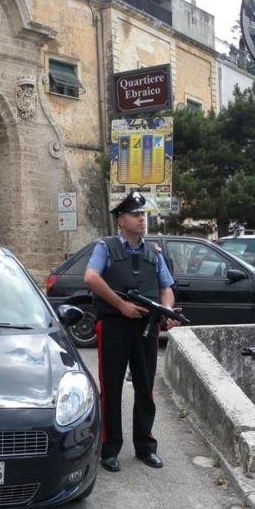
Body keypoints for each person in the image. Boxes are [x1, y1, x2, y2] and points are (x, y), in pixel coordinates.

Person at [84, 190, 179, 473]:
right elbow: (91, 277)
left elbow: (166, 288)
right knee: (111, 388)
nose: (141, 219)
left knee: (145, 388)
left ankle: (145, 446)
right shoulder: (105, 247)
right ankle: (110, 449)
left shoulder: (154, 252)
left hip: (146, 328)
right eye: (136, 215)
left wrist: (166, 311)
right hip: (114, 325)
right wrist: (121, 305)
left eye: (143, 215)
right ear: (121, 220)